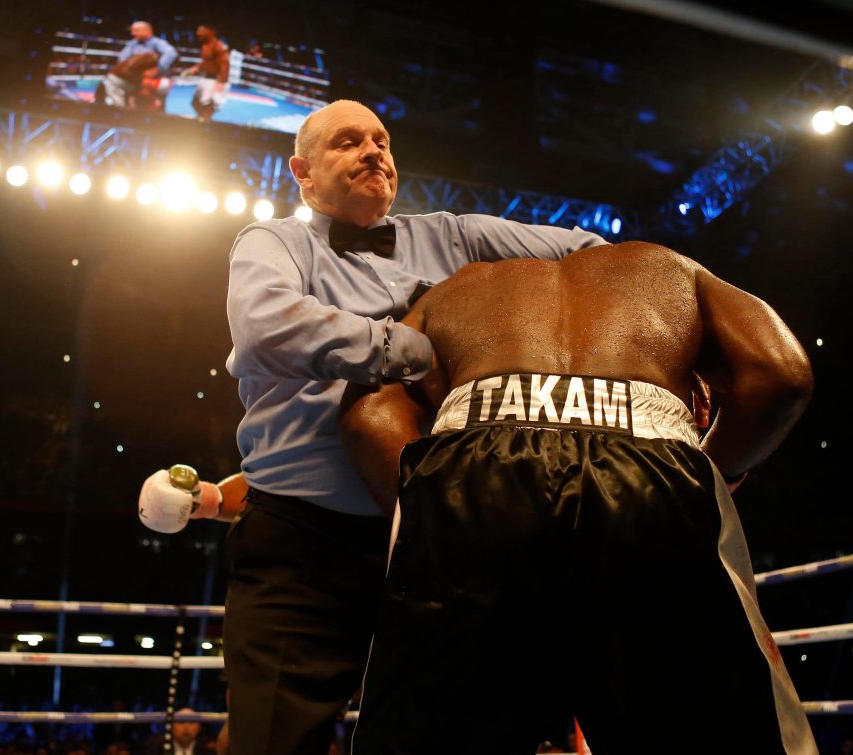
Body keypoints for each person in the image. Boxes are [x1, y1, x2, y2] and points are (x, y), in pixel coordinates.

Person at [193, 97, 608, 755]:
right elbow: (268, 326)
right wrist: (421, 347)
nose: (372, 151)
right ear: (302, 172)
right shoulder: (275, 241)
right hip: (302, 542)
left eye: (381, 140)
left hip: (434, 541)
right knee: (270, 741)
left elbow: (594, 255)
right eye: (347, 141)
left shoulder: (453, 235)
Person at [338, 246, 817, 754]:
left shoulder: (453, 291)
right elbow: (781, 373)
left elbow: (368, 414)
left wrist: (429, 509)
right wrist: (715, 473)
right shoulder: (669, 268)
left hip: (472, 470)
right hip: (648, 469)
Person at [101, 21, 177, 108]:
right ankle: (120, 110)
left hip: (154, 79)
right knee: (111, 80)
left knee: (164, 84)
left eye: (136, 30)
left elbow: (171, 53)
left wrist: (158, 69)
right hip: (136, 79)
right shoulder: (132, 44)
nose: (133, 33)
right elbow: (122, 59)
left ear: (147, 31)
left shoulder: (157, 43)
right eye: (132, 31)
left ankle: (158, 116)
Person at [185, 25, 230, 122]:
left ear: (211, 32)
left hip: (214, 80)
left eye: (201, 31)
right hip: (206, 78)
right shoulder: (205, 45)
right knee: (195, 103)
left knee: (207, 106)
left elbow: (224, 65)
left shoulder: (219, 46)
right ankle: (203, 120)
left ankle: (205, 123)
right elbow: (207, 61)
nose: (198, 33)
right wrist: (196, 68)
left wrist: (220, 83)